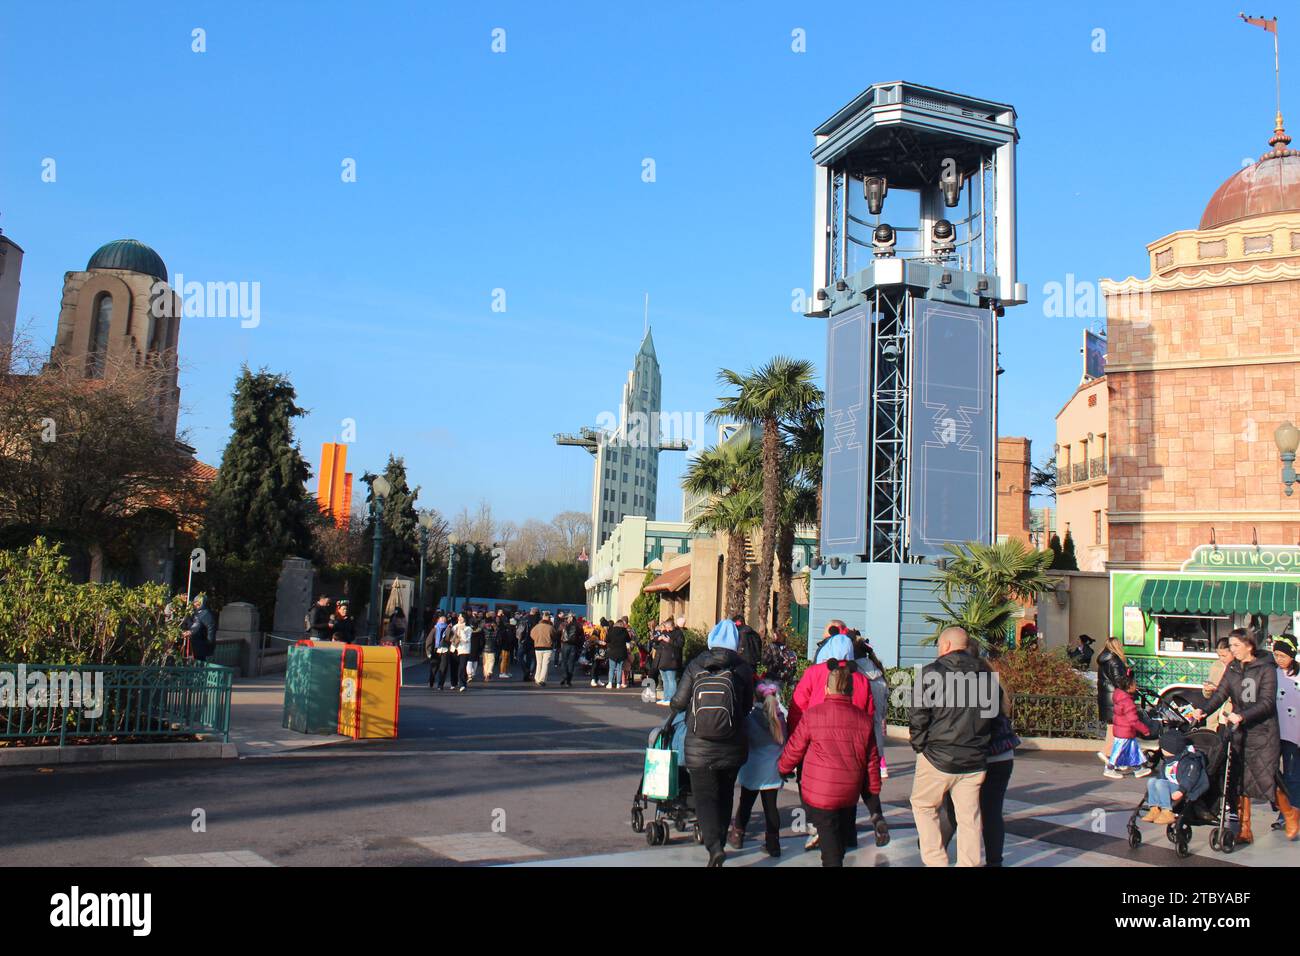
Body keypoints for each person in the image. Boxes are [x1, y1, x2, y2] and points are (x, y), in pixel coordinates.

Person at [670, 619, 755, 866]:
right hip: (732, 743)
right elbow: (748, 706)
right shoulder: (743, 668)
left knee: (704, 797)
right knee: (726, 794)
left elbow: (679, 700)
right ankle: (719, 837)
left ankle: (714, 847)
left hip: (699, 744)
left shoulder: (696, 664)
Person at [778, 661, 879, 867]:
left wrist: (783, 768)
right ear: (851, 689)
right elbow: (872, 760)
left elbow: (795, 748)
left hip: (820, 791)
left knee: (830, 846)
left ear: (826, 688)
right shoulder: (864, 720)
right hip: (849, 790)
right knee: (838, 838)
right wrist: (874, 790)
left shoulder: (813, 715)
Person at [908, 626, 994, 868]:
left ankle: (936, 861)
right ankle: (970, 863)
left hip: (937, 756)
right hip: (974, 760)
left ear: (945, 646)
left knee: (924, 805)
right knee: (969, 817)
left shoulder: (930, 673)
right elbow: (993, 718)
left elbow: (917, 715)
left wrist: (920, 746)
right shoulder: (986, 674)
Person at [1190, 628, 1281, 847]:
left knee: (1267, 779)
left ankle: (1290, 812)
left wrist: (1242, 715)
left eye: (1236, 646)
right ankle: (1245, 829)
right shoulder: (1231, 668)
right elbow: (1221, 694)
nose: (1232, 650)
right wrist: (1203, 710)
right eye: (1230, 646)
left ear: (1249, 645)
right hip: (1239, 731)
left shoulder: (1267, 669)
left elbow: (1268, 702)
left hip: (1263, 732)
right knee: (1238, 781)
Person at [789, 628, 872, 851]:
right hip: (851, 745)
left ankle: (820, 829)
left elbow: (797, 708)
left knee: (811, 785)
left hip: (815, 741)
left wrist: (793, 739)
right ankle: (847, 834)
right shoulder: (861, 679)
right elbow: (869, 713)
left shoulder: (814, 673)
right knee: (849, 786)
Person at [938, 684, 1018, 866]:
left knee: (952, 809)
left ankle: (934, 852)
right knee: (992, 813)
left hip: (974, 757)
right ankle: (994, 862)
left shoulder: (963, 687)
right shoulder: (992, 685)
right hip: (1002, 755)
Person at [729, 680, 787, 856]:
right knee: (771, 808)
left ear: (755, 697)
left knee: (745, 804)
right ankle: (773, 843)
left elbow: (742, 738)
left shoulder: (750, 718)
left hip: (752, 769)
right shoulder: (780, 718)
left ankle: (738, 834)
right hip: (773, 771)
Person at [851, 633, 892, 846]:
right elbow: (883, 709)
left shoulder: (855, 674)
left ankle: (848, 832)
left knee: (849, 782)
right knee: (869, 783)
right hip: (876, 735)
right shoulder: (879, 674)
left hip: (858, 732)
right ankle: (877, 817)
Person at [1140, 729, 1208, 826]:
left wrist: (1181, 790)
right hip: (1169, 785)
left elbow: (1189, 778)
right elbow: (1162, 775)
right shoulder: (1168, 760)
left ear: (1171, 749)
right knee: (1152, 781)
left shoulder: (1190, 761)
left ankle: (1167, 811)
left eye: (1163, 748)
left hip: (1181, 787)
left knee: (1160, 783)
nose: (1161, 750)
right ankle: (1154, 808)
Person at [1270, 634, 1300, 839]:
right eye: (1276, 655)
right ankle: (1284, 810)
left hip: (1294, 734)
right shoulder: (1271, 674)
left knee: (1291, 776)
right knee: (1272, 775)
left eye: (1282, 655)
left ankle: (1290, 814)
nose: (1279, 659)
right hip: (1273, 732)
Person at [1105, 673, 1150, 779]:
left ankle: (1138, 768)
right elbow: (1133, 720)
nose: (1136, 686)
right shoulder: (1127, 702)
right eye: (1134, 684)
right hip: (1125, 731)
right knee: (1119, 750)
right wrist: (1145, 730)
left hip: (1123, 730)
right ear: (1129, 687)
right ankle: (1110, 768)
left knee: (1133, 750)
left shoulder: (1119, 697)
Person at [1096, 636, 1129, 762]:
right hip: (1115, 699)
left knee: (1112, 728)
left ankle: (1112, 754)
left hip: (1107, 700)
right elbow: (1119, 681)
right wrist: (1129, 678)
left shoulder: (1104, 660)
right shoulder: (1114, 661)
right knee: (1120, 729)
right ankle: (1110, 754)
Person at [1201, 638, 1235, 731]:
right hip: (1214, 718)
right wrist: (1207, 690)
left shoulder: (1239, 668)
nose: (1221, 659)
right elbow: (1207, 696)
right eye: (1219, 655)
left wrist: (1217, 689)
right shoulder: (1216, 666)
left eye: (1224, 655)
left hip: (1230, 716)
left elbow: (1239, 696)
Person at [654, 617, 685, 705]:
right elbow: (655, 641)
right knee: (665, 680)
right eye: (665, 627)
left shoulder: (678, 633)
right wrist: (658, 639)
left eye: (667, 627)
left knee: (671, 680)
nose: (666, 629)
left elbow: (680, 644)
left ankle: (671, 699)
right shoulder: (664, 632)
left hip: (672, 660)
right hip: (662, 659)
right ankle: (666, 697)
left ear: (672, 626)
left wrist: (669, 640)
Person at [182, 594, 218, 662]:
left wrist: (209, 647)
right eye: (195, 602)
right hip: (193, 644)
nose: (195, 604)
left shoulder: (206, 614)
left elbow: (210, 631)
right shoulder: (195, 613)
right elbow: (190, 624)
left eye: (197, 602)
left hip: (201, 646)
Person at [426, 614, 451, 689]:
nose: (443, 620)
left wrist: (449, 629)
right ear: (438, 620)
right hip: (436, 651)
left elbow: (449, 639)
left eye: (444, 619)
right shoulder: (435, 629)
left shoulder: (448, 628)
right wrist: (428, 651)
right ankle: (431, 682)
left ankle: (440, 685)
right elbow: (429, 641)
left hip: (445, 650)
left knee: (443, 668)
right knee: (434, 668)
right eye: (441, 619)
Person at [558, 612, 584, 687]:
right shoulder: (579, 625)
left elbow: (558, 633)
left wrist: (558, 644)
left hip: (565, 645)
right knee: (571, 663)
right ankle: (568, 680)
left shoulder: (563, 624)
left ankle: (565, 676)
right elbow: (582, 637)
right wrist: (580, 646)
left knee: (564, 661)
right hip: (574, 646)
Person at [531, 613, 556, 686]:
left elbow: (531, 634)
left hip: (538, 646)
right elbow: (554, 636)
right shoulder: (550, 627)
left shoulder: (537, 626)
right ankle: (542, 680)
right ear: (549, 619)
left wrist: (536, 639)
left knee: (539, 663)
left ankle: (537, 678)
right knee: (545, 664)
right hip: (548, 647)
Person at [605, 617, 631, 689]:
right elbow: (628, 639)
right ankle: (618, 684)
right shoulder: (624, 631)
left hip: (613, 651)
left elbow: (607, 640)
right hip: (622, 652)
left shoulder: (611, 630)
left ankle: (610, 683)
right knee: (619, 668)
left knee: (612, 668)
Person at [451, 613, 472, 692]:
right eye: (459, 616)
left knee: (462, 667)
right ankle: (453, 683)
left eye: (461, 617)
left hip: (464, 650)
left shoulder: (468, 628)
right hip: (454, 649)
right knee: (454, 667)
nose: (459, 618)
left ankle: (463, 684)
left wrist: (462, 630)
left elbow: (466, 640)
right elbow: (451, 637)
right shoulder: (454, 627)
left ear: (465, 618)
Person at [497, 612, 516, 679]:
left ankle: (505, 672)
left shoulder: (508, 627)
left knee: (506, 659)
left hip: (507, 645)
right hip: (505, 645)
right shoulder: (507, 628)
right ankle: (502, 672)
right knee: (504, 659)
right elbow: (506, 637)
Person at [481, 614, 500, 681]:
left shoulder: (483, 630)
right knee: (491, 661)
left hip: (484, 647)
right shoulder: (494, 630)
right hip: (492, 647)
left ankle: (486, 674)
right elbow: (497, 631)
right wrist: (494, 626)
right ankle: (489, 672)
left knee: (485, 662)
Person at [517, 615, 535, 682]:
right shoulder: (534, 622)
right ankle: (527, 675)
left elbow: (519, 633)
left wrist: (520, 640)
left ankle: (526, 672)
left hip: (523, 642)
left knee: (520, 657)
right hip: (531, 642)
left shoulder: (522, 622)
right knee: (529, 660)